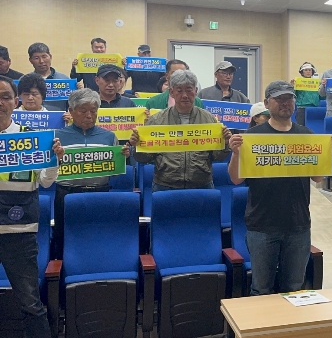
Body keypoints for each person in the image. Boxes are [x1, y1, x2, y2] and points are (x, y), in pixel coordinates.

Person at [228, 80, 332, 295]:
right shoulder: (251, 137)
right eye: (279, 99)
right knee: (261, 289)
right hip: (262, 225)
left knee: (294, 289)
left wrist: (330, 155)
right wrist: (235, 154)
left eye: (289, 98)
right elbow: (235, 179)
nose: (285, 103)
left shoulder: (306, 135)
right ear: (266, 103)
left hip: (298, 224)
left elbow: (317, 177)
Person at [0, 75, 64, 338]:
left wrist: (54, 160)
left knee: (30, 303)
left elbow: (46, 181)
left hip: (19, 231)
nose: (0, 102)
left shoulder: (32, 137)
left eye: (5, 97)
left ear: (15, 102)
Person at [54, 88, 131, 258]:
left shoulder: (109, 137)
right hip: (66, 194)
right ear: (71, 111)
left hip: (100, 193)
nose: (89, 116)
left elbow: (115, 174)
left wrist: (122, 159)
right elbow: (48, 171)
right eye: (83, 111)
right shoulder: (57, 137)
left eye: (93, 111)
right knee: (64, 239)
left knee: (98, 237)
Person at [130, 70, 231, 191]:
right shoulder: (157, 120)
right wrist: (137, 145)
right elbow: (144, 158)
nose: (184, 95)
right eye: (179, 90)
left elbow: (218, 157)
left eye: (189, 90)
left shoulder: (209, 119)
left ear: (196, 91)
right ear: (171, 92)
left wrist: (225, 143)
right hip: (164, 185)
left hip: (202, 184)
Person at [27, 42, 69, 112]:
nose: (41, 61)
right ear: (30, 60)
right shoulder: (25, 81)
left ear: (50, 56)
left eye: (44, 57)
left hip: (59, 118)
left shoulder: (65, 80)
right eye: (36, 58)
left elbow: (72, 105)